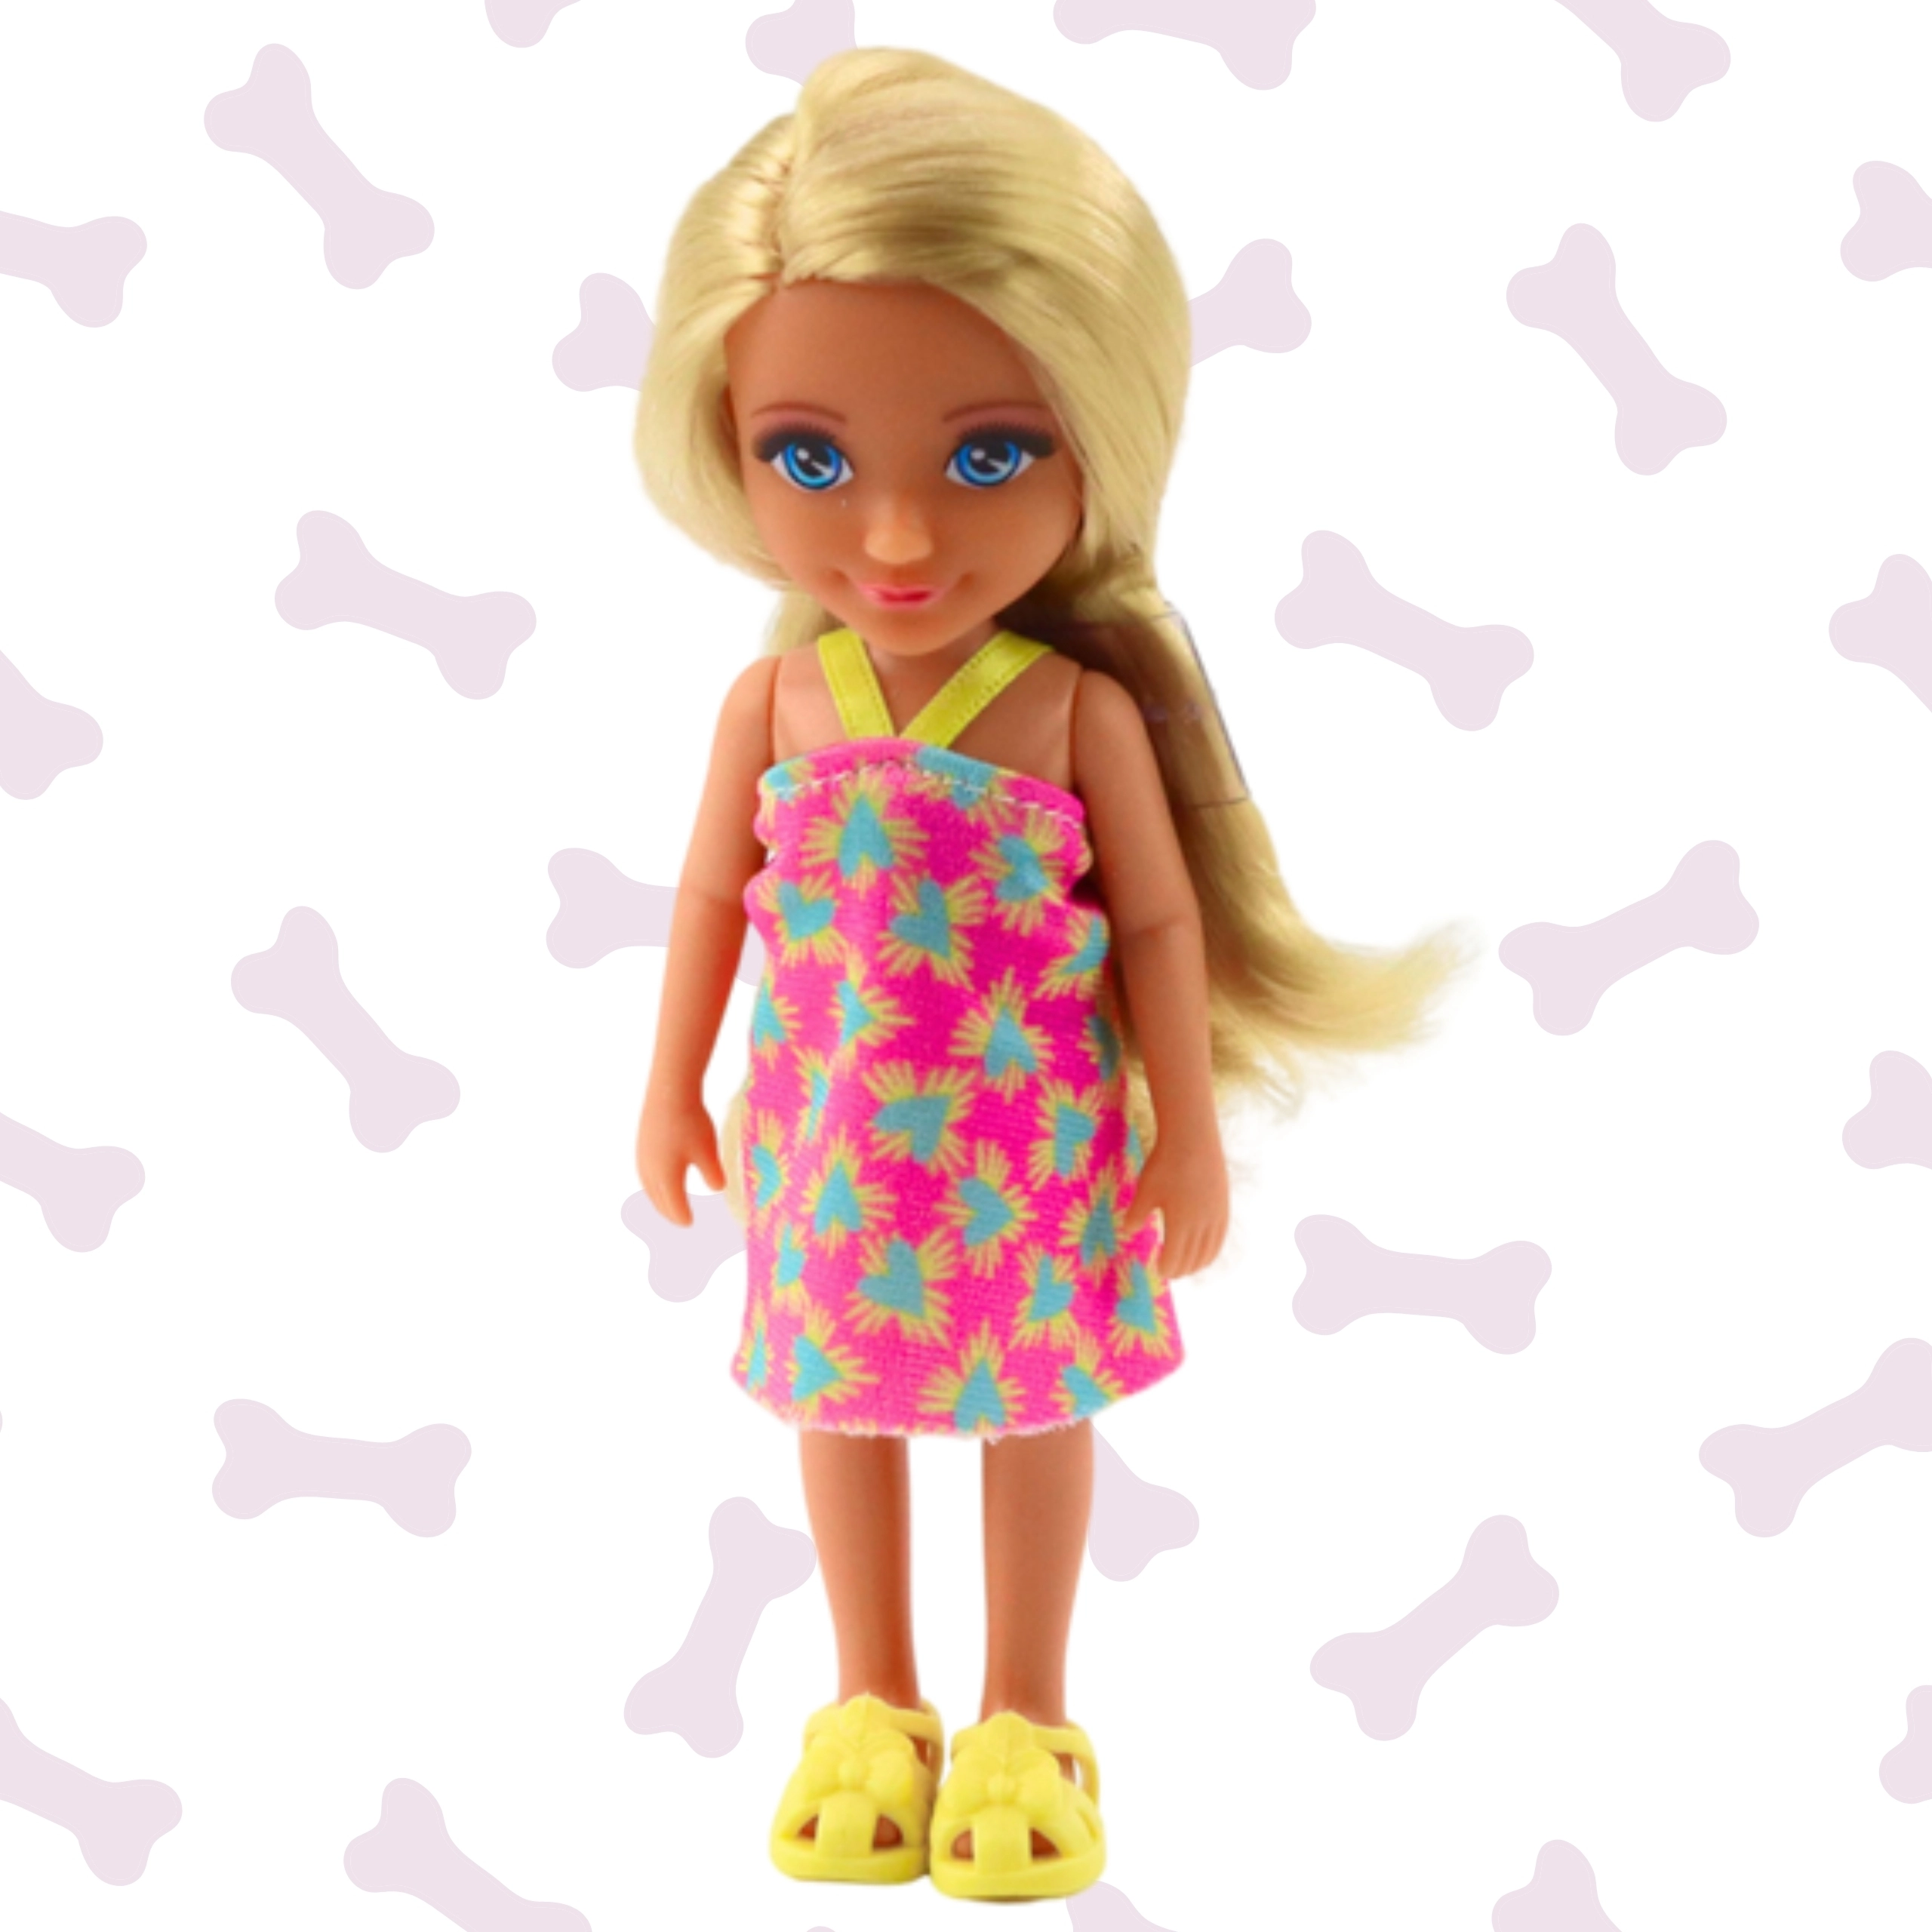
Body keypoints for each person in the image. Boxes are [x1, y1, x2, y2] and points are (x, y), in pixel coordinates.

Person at [632, 45, 1472, 1901]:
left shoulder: (1065, 711)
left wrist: (1186, 1124)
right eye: (808, 458)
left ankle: (1025, 1709)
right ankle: (870, 1694)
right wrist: (669, 1079)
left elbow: (1159, 924)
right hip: (830, 1140)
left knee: (1030, 1405)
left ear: (1101, 439)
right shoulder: (773, 703)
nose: (897, 534)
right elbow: (708, 896)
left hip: (1026, 1149)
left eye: (987, 454)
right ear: (728, 443)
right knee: (839, 1401)